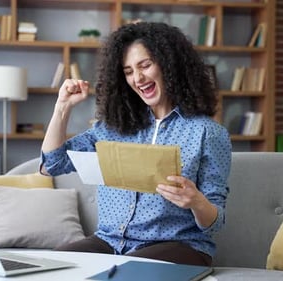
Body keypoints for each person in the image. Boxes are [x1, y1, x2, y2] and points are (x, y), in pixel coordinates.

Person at [40, 22, 231, 266]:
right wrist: (62, 107)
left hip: (179, 246)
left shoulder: (208, 133)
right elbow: (51, 165)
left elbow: (215, 223)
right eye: (128, 71)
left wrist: (196, 201)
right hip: (110, 242)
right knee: (51, 266)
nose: (137, 78)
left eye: (145, 65)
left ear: (170, 65)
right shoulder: (112, 128)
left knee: (125, 272)